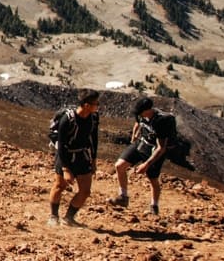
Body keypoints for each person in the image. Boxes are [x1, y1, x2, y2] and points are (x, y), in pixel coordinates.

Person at [46, 89, 101, 227]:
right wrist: (65, 169)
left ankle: (69, 218)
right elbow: (61, 144)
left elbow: (94, 139)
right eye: (96, 103)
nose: (98, 106)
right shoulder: (68, 119)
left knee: (85, 190)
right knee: (60, 186)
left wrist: (93, 160)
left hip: (82, 155)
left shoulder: (93, 118)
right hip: (66, 155)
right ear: (87, 105)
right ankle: (53, 216)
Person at [113, 98, 169, 215]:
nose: (138, 114)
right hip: (141, 143)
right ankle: (123, 197)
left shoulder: (160, 122)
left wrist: (146, 164)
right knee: (119, 166)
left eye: (141, 112)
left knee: (153, 179)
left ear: (148, 110)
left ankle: (154, 206)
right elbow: (138, 122)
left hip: (154, 150)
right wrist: (134, 135)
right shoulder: (140, 114)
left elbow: (161, 147)